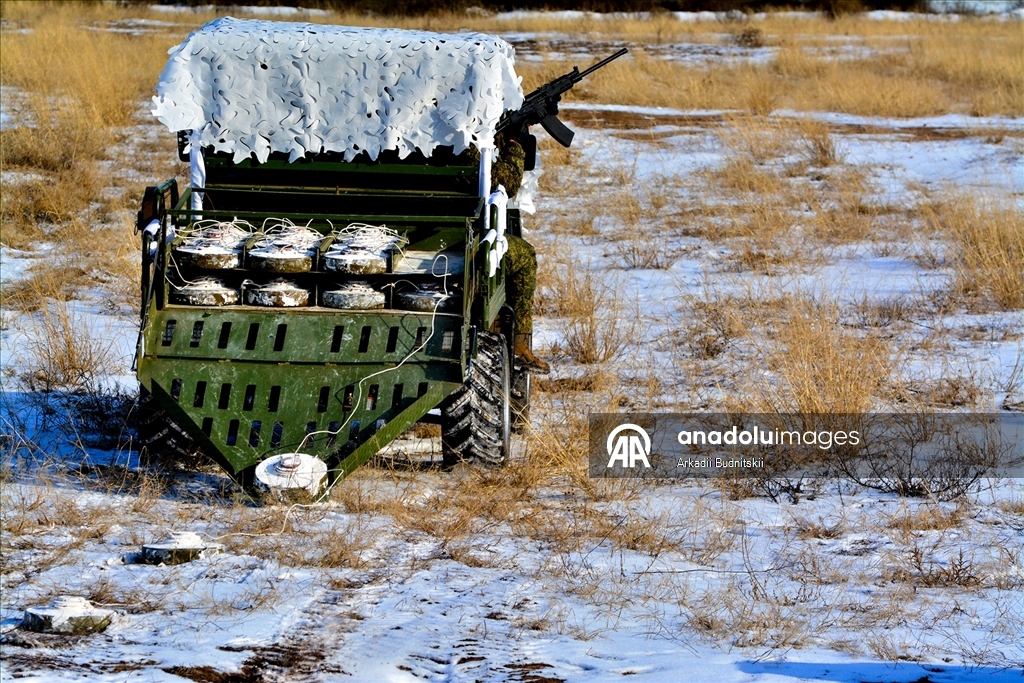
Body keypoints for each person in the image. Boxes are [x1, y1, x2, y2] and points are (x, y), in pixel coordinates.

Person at [484, 136, 550, 375]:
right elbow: (507, 182)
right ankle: (518, 344)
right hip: (465, 238)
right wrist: (514, 145)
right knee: (525, 256)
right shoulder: (463, 135)